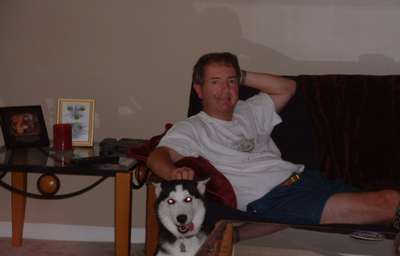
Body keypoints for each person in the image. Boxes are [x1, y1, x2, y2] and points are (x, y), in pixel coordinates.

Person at [147, 51, 400, 228]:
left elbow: (287, 88)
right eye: (216, 82)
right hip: (273, 200)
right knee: (389, 203)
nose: (226, 90)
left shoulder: (249, 110)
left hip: (307, 181)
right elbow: (157, 156)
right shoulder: (193, 127)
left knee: (387, 203)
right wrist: (172, 173)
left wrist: (242, 74)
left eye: (231, 82)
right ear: (199, 89)